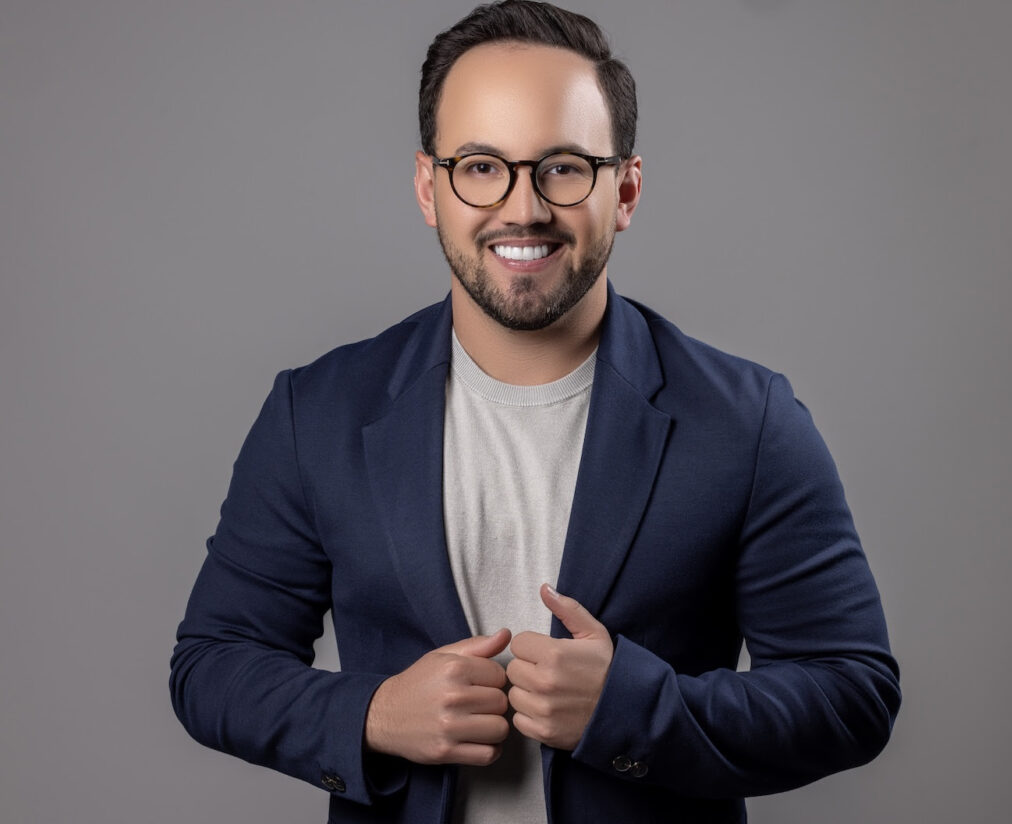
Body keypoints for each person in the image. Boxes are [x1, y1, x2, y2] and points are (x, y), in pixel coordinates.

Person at [169, 2, 900, 822]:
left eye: (563, 167)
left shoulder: (748, 422)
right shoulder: (317, 414)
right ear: (429, 187)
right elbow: (213, 666)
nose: (523, 208)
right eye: (482, 166)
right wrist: (373, 715)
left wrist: (633, 709)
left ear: (625, 190)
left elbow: (853, 692)